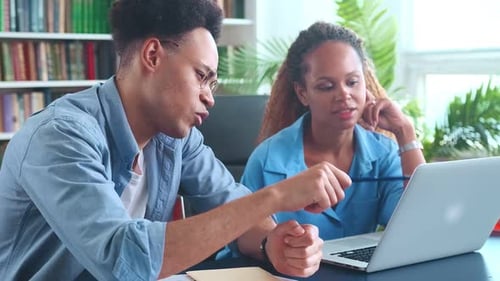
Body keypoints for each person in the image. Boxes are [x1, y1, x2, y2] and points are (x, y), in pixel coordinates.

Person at [0, 3, 352, 280]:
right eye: (202, 77)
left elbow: (233, 208)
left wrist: (271, 243)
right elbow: (124, 260)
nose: (209, 97)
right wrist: (275, 196)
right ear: (152, 55)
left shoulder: (177, 140)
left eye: (212, 85)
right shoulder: (61, 135)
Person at [241, 22, 426, 241]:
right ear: (303, 93)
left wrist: (405, 132)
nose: (344, 95)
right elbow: (242, 239)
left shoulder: (383, 152)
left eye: (352, 82)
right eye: (327, 86)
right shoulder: (268, 160)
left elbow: (420, 223)